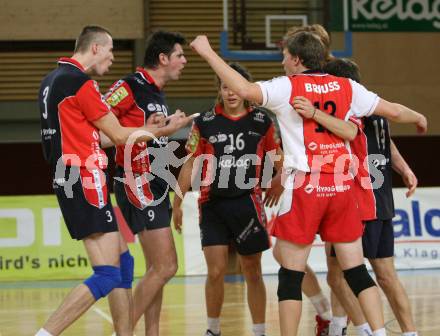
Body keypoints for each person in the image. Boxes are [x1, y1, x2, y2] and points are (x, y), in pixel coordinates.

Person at [190, 32, 427, 336]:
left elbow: (243, 89)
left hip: (306, 187)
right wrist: (418, 116)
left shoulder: (288, 86)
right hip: (342, 187)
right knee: (356, 271)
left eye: (285, 56)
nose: (283, 61)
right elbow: (393, 111)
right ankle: (378, 333)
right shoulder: (347, 86)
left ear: (297, 59)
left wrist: (208, 53)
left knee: (290, 274)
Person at [37, 26, 191, 336]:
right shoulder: (80, 83)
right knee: (108, 274)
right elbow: (120, 136)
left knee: (124, 264)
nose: (112, 57)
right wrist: (165, 130)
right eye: (109, 50)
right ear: (94, 48)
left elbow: (97, 136)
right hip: (85, 176)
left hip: (77, 175)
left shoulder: (52, 80)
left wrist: (150, 129)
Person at [172, 63, 283, 336]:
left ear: (245, 90)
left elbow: (276, 154)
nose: (231, 92)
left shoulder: (262, 121)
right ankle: (213, 330)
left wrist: (279, 179)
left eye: (235, 87)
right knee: (215, 271)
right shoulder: (205, 122)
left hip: (248, 203)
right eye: (225, 87)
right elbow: (189, 163)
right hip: (213, 205)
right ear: (219, 90)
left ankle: (259, 331)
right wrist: (177, 201)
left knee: (252, 271)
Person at [324, 58, 419, 336]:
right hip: (382, 202)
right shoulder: (376, 110)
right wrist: (404, 167)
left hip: (358, 202)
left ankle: (361, 330)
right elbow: (386, 141)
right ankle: (409, 332)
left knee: (338, 274)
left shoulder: (345, 112)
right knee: (385, 275)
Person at [104, 30, 188, 336]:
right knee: (167, 266)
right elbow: (101, 127)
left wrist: (165, 128)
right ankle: (122, 332)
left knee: (157, 269)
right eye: (180, 55)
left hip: (153, 180)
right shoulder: (129, 85)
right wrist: (162, 131)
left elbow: (143, 132)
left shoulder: (156, 92)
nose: (184, 61)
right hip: (134, 180)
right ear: (163, 58)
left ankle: (152, 333)